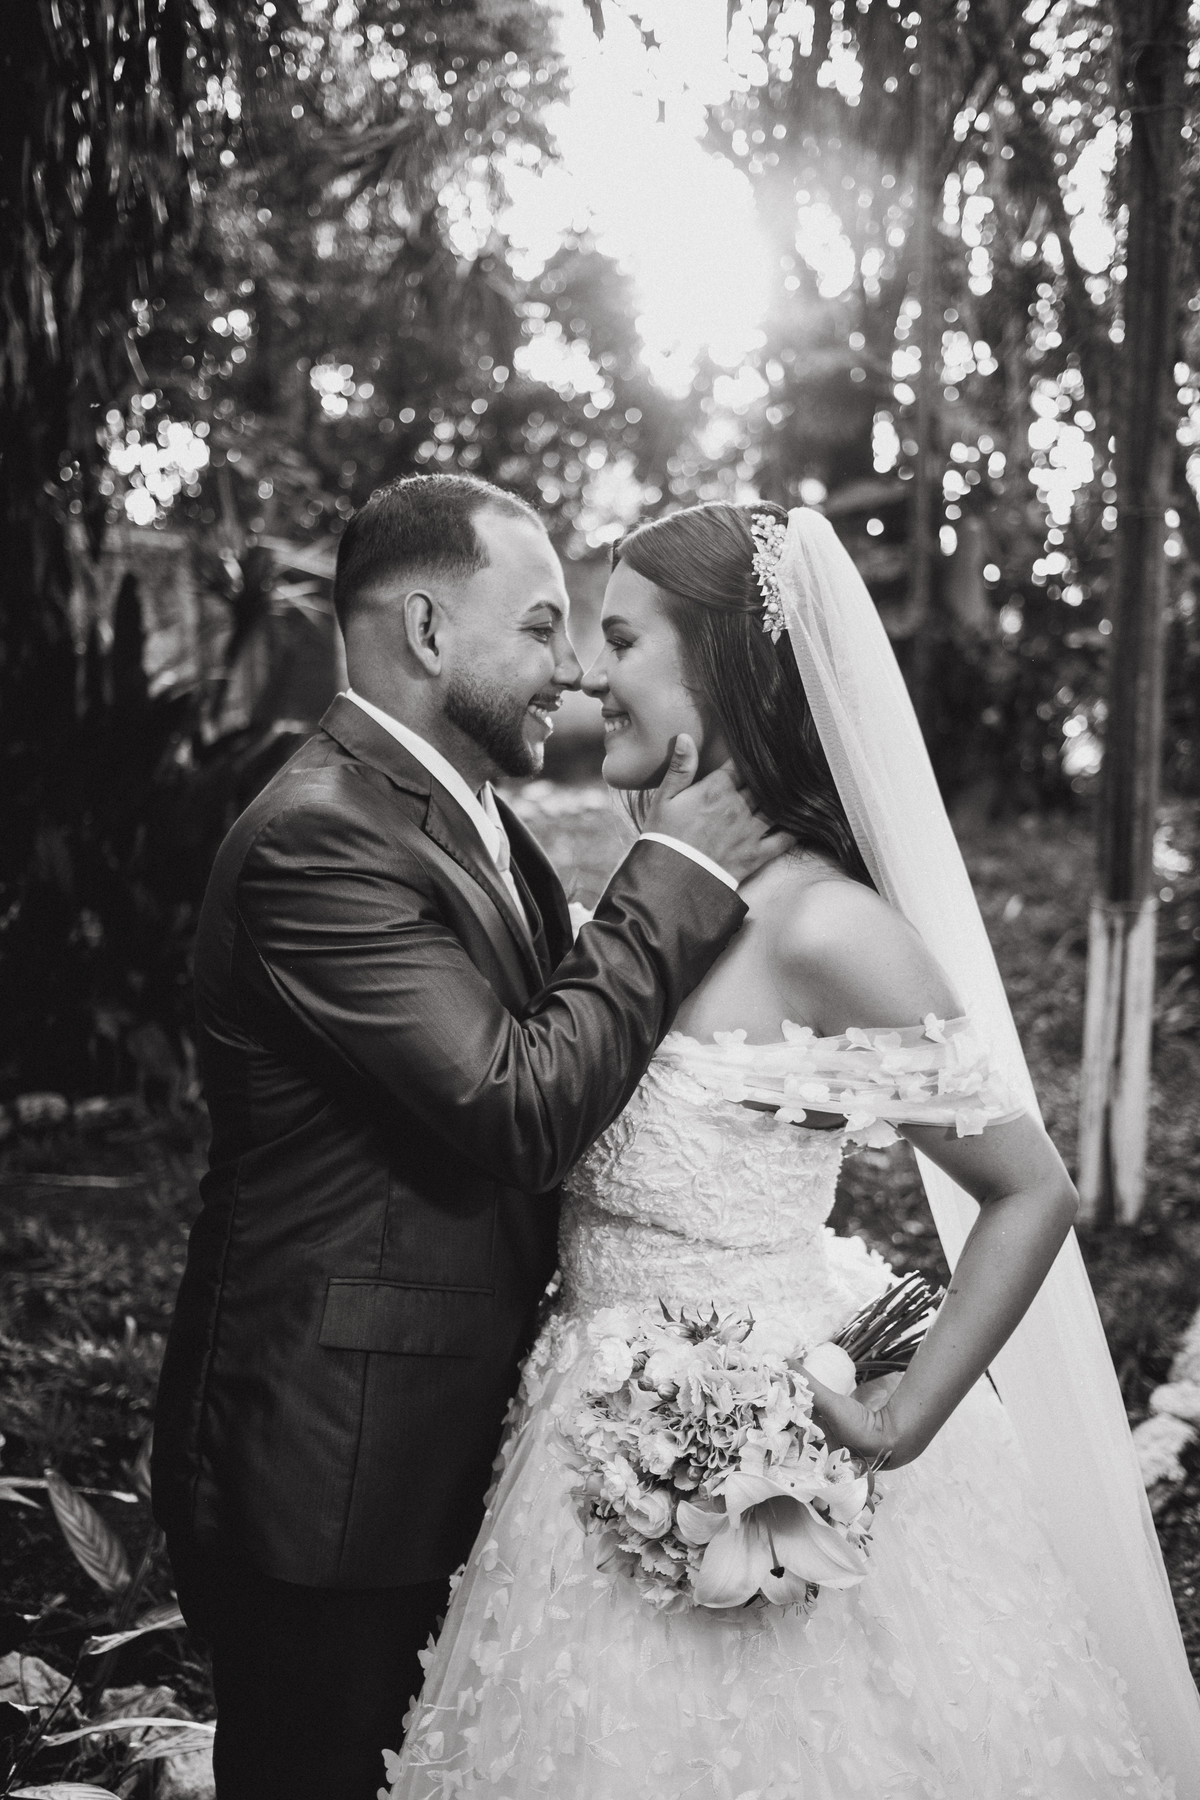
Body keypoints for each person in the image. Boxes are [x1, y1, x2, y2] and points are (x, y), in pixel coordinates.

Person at [384, 502, 1200, 1799]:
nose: (587, 675)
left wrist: (900, 1419)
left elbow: (1027, 1189)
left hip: (766, 1449)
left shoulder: (825, 931)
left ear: (720, 667)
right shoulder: (652, 894)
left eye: (622, 640)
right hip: (575, 1443)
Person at [151, 474, 793, 1800]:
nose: (574, 669)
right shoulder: (317, 840)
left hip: (448, 1446)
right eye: (544, 626)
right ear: (430, 632)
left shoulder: (472, 816)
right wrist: (678, 876)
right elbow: (519, 1104)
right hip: (331, 1480)